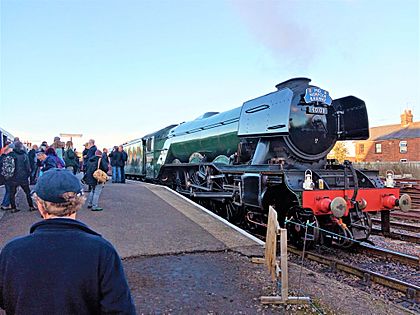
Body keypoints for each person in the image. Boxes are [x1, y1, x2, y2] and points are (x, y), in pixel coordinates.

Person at [0, 168, 136, 314]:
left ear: (40, 205)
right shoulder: (102, 251)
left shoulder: (11, 251)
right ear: (78, 203)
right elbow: (121, 309)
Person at [8, 142, 35, 212]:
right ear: (21, 147)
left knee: (12, 193)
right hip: (23, 177)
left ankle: (13, 208)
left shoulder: (11, 154)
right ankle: (31, 206)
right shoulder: (24, 155)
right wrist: (29, 175)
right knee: (27, 192)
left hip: (13, 177)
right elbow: (28, 167)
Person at [0, 145, 12, 210]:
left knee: (8, 190)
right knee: (9, 190)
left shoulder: (2, 157)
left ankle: (5, 203)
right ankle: (5, 204)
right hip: (6, 177)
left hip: (3, 177)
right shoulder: (6, 158)